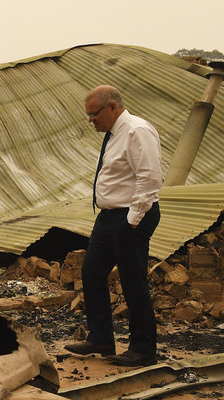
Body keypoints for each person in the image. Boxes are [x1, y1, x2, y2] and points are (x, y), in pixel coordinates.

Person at [64, 85, 163, 366]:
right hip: (109, 216)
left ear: (113, 107)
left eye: (94, 114)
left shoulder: (136, 130)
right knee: (92, 271)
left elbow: (150, 178)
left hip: (131, 215)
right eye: (88, 116)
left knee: (133, 282)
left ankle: (143, 349)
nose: (91, 120)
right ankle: (101, 339)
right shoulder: (113, 134)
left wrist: (132, 220)